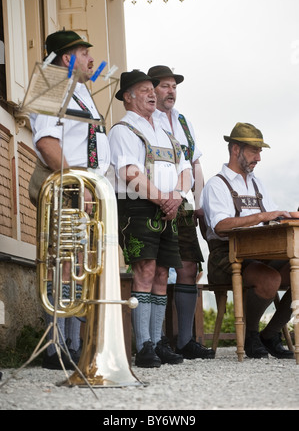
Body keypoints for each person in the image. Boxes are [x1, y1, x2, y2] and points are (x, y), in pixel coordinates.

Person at [29, 30, 110, 369]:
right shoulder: (52, 87)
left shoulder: (82, 92)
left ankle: (75, 345)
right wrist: (78, 184)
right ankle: (56, 348)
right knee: (62, 263)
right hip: (67, 185)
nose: (92, 60)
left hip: (87, 187)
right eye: (84, 53)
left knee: (79, 263)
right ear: (67, 58)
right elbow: (48, 144)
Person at [108, 70, 193, 367]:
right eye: (144, 90)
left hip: (168, 206)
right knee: (144, 271)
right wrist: (164, 199)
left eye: (151, 89)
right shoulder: (122, 130)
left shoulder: (166, 131)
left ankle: (157, 341)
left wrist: (178, 197)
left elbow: (186, 169)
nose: (152, 94)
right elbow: (129, 173)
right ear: (128, 98)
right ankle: (143, 345)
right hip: (137, 208)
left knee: (161, 274)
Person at [201, 122, 298, 359]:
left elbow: (273, 215)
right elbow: (220, 226)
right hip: (225, 257)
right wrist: (262, 216)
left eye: (260, 151)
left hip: (261, 255)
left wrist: (288, 215)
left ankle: (270, 334)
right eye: (254, 151)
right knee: (269, 277)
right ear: (236, 150)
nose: (259, 158)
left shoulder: (257, 182)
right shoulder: (216, 184)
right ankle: (251, 335)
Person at [147, 65, 214, 359]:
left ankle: (186, 341)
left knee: (189, 267)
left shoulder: (183, 121)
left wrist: (199, 203)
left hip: (183, 203)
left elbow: (194, 163)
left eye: (174, 86)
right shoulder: (147, 118)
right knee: (154, 268)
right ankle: (157, 339)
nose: (171, 91)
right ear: (152, 90)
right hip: (155, 200)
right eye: (164, 85)